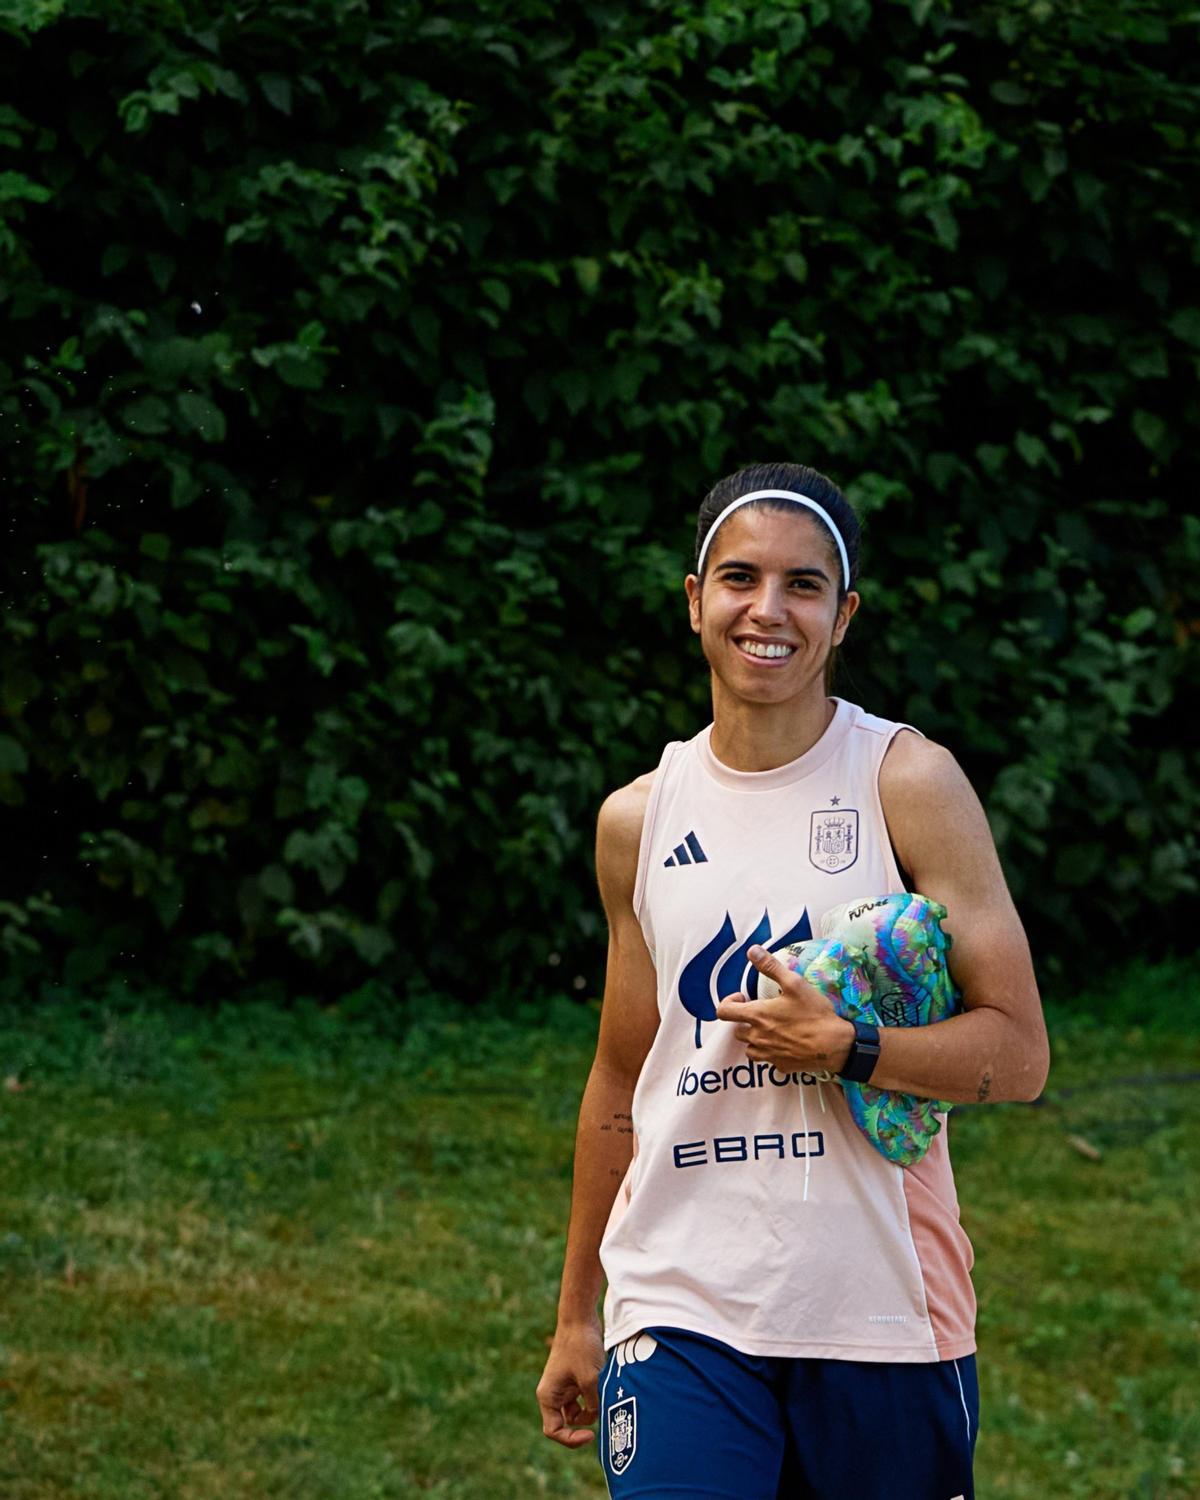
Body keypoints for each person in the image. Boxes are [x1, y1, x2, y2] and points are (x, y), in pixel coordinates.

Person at [536, 462, 1049, 1499]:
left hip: (883, 1312)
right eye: (738, 578)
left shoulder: (905, 782)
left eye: (804, 585)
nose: (767, 610)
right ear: (694, 601)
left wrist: (856, 1049)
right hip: (677, 1305)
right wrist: (578, 1312)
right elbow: (620, 1077)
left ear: (844, 614)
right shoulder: (637, 821)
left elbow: (1021, 1055)